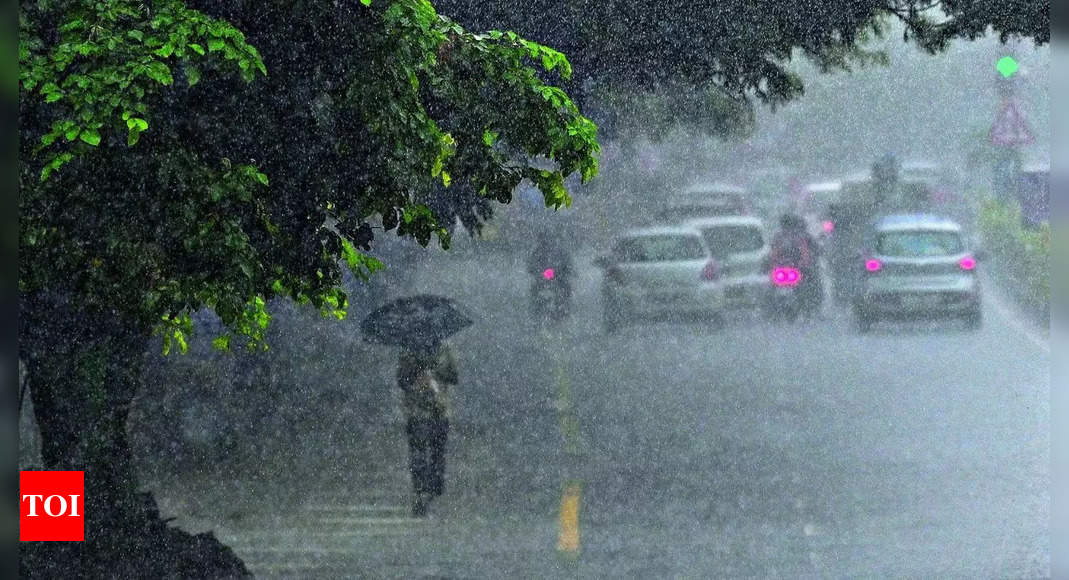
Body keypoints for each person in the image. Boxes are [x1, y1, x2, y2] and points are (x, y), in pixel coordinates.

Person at [396, 338, 458, 517]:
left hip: (440, 410)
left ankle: (433, 491)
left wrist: (436, 372)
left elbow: (454, 377)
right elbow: (401, 380)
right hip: (417, 412)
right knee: (418, 454)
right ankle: (420, 492)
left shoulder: (446, 349)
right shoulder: (407, 350)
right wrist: (417, 376)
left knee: (437, 453)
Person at [769, 213, 823, 314]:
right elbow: (774, 254)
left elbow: (773, 254)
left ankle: (810, 307)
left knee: (811, 284)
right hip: (794, 269)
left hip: (793, 269)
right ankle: (811, 307)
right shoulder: (799, 237)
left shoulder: (781, 237)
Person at [526, 233, 575, 309]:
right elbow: (531, 266)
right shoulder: (537, 252)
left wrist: (565, 271)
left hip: (557, 280)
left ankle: (564, 307)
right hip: (545, 280)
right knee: (535, 291)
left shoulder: (560, 252)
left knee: (565, 290)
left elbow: (567, 265)